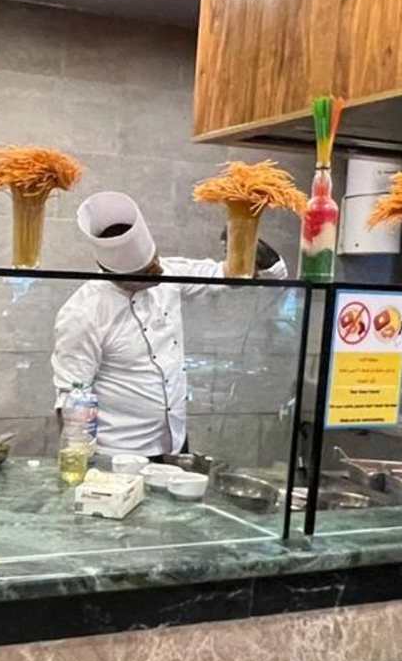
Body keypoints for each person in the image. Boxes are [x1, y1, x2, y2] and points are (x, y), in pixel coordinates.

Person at [51, 190, 281, 459]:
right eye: (148, 272)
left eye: (156, 260)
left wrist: (258, 256)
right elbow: (72, 396)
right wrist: (81, 463)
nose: (160, 270)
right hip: (117, 455)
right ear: (119, 275)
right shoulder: (83, 312)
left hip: (174, 443)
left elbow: (226, 277)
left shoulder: (168, 275)